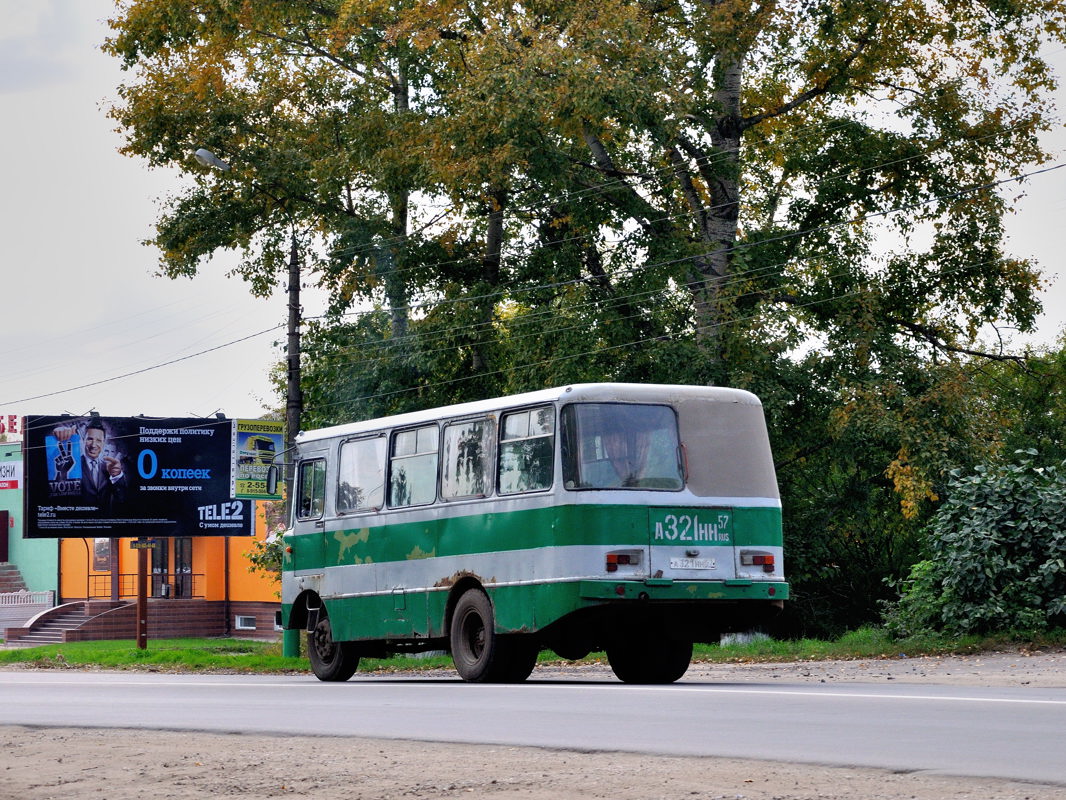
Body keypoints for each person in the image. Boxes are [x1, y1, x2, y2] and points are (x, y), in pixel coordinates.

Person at [53, 420, 129, 513]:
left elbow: (122, 500)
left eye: (98, 440)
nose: (93, 445)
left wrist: (117, 476)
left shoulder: (109, 468)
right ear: (83, 441)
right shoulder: (71, 465)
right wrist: (62, 474)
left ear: (103, 443)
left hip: (104, 524)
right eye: (90, 439)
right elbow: (58, 502)